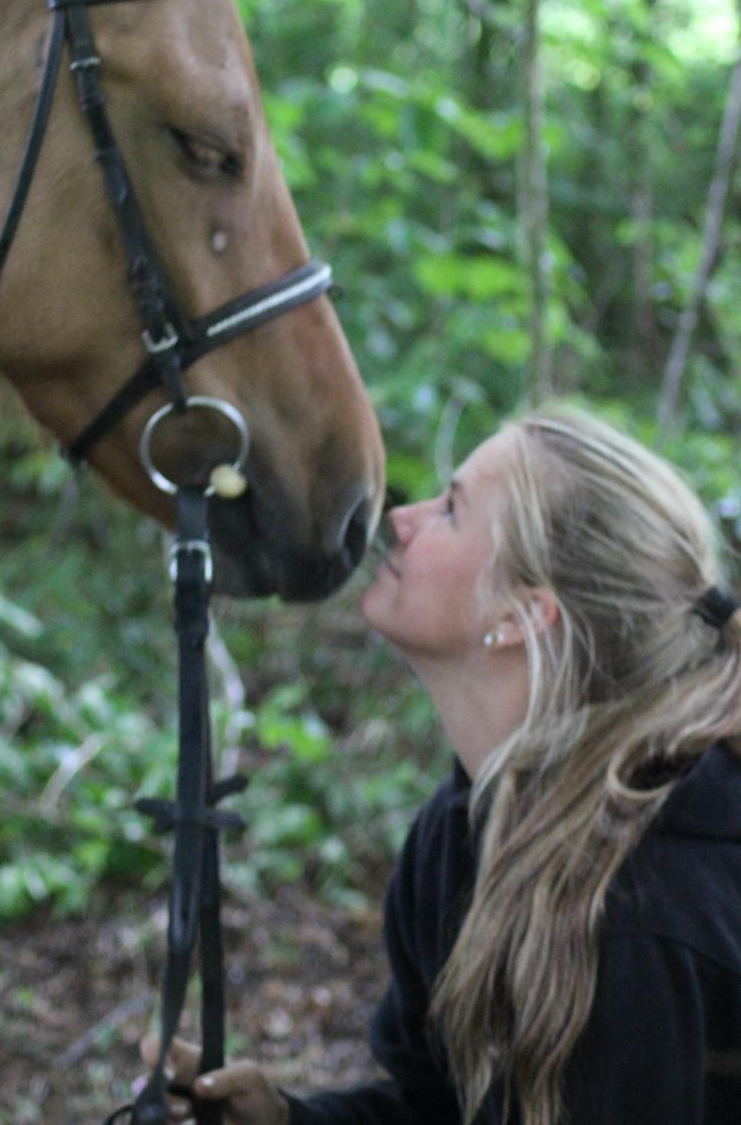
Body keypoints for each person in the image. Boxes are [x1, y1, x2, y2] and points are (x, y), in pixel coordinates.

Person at [142, 404, 741, 1124]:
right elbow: (437, 1106)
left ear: (521, 616)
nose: (401, 518)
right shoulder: (463, 829)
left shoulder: (644, 914)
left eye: (451, 510)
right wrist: (290, 1121)